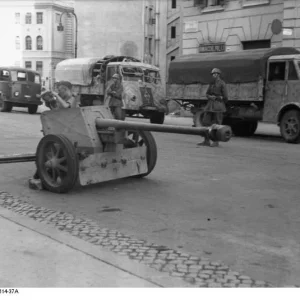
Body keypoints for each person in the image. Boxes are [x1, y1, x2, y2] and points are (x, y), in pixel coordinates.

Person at [30, 81, 78, 186]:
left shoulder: (72, 98)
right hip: (60, 128)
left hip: (69, 130)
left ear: (65, 89)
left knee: (51, 151)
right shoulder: (63, 98)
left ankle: (40, 176)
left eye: (60, 90)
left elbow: (65, 107)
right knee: (51, 151)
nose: (59, 92)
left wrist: (56, 96)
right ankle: (41, 175)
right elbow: (57, 110)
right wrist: (49, 100)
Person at [197, 68, 228, 147]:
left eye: (216, 74)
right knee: (205, 121)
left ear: (218, 75)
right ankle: (206, 140)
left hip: (218, 105)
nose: (214, 75)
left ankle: (216, 141)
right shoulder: (211, 83)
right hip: (210, 105)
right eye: (213, 74)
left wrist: (220, 99)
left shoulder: (222, 83)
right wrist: (211, 97)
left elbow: (225, 96)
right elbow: (207, 94)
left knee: (217, 123)